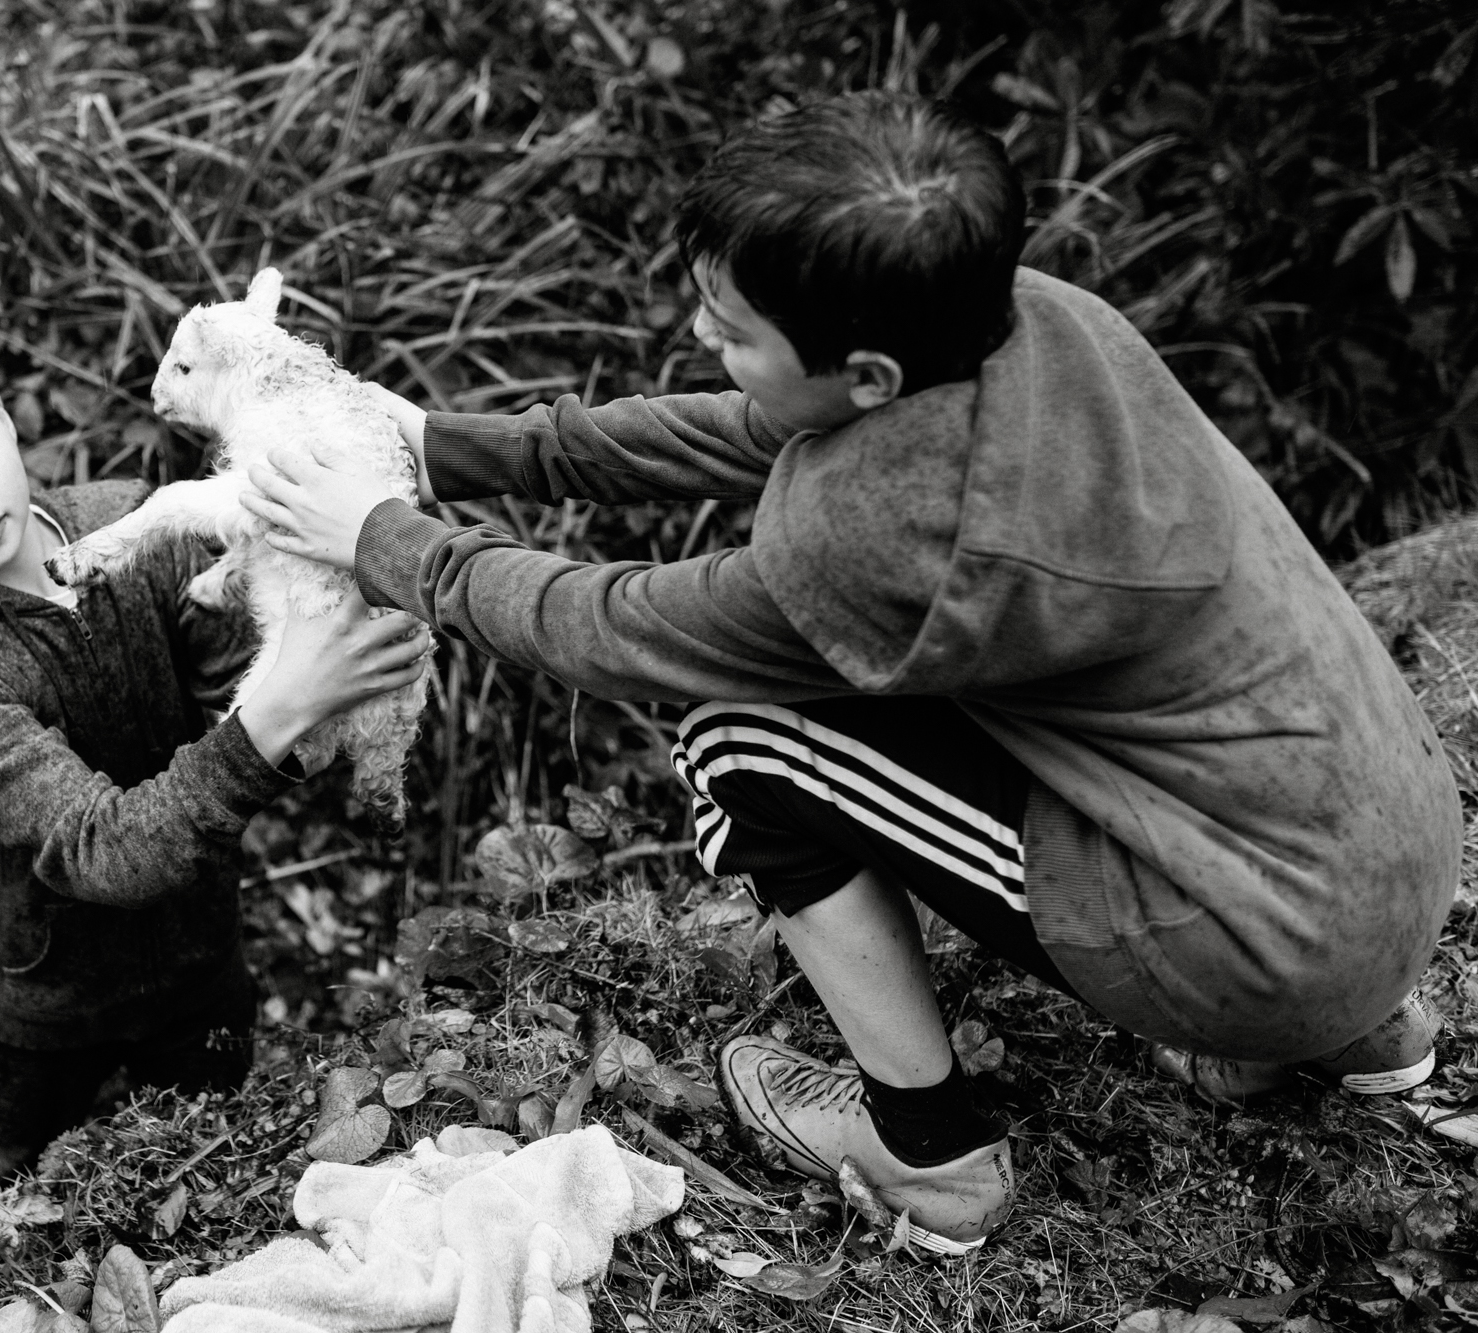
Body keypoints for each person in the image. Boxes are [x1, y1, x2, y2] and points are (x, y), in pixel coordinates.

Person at [238, 91, 1461, 1254]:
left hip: (1258, 938)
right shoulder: (1032, 322)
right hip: (1386, 841)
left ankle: (928, 1157)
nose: (700, 338)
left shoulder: (881, 538)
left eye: (730, 329)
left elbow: (605, 627)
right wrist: (454, 447)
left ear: (867, 373)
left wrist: (383, 541)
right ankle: (1361, 1039)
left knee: (736, 740)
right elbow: (760, 421)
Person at [0, 305, 430, 1190]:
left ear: (5, 417)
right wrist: (283, 710)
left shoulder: (127, 520)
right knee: (11, 1181)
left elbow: (235, 698)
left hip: (200, 953)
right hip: (35, 998)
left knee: (219, 1161)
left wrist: (322, 656)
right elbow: (101, 849)